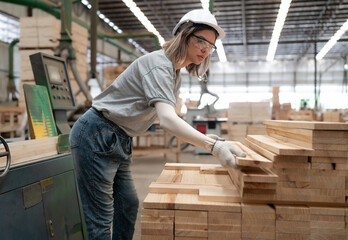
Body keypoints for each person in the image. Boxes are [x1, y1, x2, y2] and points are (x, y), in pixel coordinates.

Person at [69, 8, 246, 240]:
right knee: (100, 220)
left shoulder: (174, 72)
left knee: (128, 206)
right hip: (97, 134)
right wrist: (212, 147)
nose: (205, 48)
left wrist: (213, 139)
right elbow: (167, 119)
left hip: (119, 139)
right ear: (184, 35)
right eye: (201, 40)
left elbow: (169, 115)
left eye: (211, 45)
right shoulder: (158, 64)